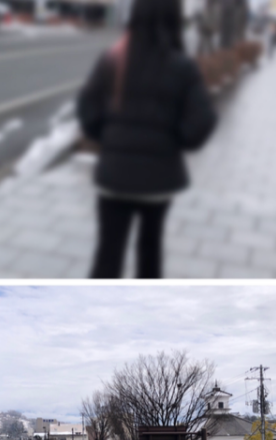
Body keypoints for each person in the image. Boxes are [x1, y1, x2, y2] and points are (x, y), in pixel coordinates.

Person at [78, 0, 216, 279]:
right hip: (159, 180)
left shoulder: (113, 58)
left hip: (114, 176)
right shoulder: (183, 67)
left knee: (108, 256)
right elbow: (203, 121)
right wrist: (177, 141)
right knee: (151, 253)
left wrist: (107, 138)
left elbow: (87, 109)